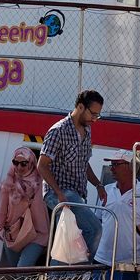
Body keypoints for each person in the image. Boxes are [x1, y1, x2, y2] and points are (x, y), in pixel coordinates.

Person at [38, 90, 107, 256]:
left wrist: (98, 185)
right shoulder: (58, 131)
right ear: (81, 107)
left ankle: (66, 277)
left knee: (67, 241)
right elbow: (41, 166)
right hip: (59, 193)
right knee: (94, 229)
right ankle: (77, 275)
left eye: (98, 115)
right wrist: (60, 194)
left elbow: (84, 164)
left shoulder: (87, 131)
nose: (95, 119)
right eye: (93, 114)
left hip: (74, 195)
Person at [97, 151, 140, 264]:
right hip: (102, 259)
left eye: (116, 165)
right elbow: (98, 222)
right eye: (111, 165)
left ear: (130, 166)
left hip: (132, 262)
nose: (112, 169)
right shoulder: (106, 190)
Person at [0, 147, 49, 268]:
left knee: (21, 270)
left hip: (37, 234)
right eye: (15, 162)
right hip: (13, 234)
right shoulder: (7, 183)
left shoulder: (42, 183)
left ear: (32, 163)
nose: (19, 167)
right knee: (15, 272)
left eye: (24, 163)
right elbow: (2, 210)